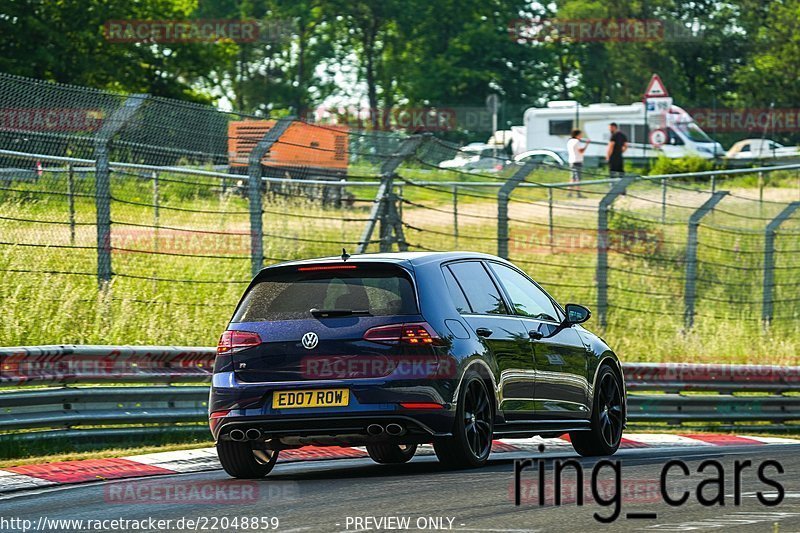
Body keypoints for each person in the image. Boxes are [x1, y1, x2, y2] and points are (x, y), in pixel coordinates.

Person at [566, 129, 589, 198]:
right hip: (577, 161)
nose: (581, 136)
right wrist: (586, 144)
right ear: (577, 135)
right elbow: (581, 151)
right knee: (578, 178)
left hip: (571, 161)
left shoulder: (569, 141)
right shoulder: (577, 141)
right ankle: (578, 193)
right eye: (580, 134)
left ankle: (569, 192)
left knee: (572, 178)